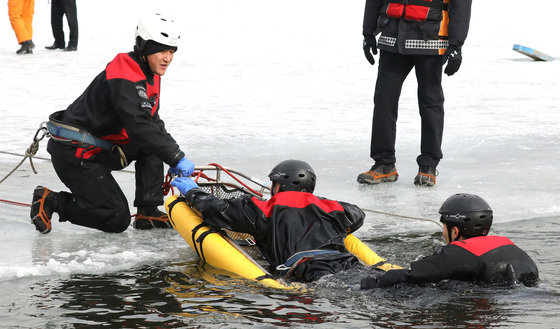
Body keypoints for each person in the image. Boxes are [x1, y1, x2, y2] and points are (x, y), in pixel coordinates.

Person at [30, 13, 194, 234]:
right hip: (76, 153)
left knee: (154, 143)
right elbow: (138, 125)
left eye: (172, 51)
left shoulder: (150, 74)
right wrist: (176, 157)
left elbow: (152, 123)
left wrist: (175, 154)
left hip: (102, 148)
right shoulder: (124, 72)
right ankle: (51, 201)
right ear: (144, 47)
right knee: (116, 218)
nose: (168, 57)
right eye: (161, 50)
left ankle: (148, 211)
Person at [171, 160, 373, 283]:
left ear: (279, 185)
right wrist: (313, 201)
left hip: (310, 273)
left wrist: (193, 191)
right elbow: (357, 215)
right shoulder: (331, 208)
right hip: (350, 265)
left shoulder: (264, 208)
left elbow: (218, 210)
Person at [357, 0, 472, 186]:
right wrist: (368, 32)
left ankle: (428, 165)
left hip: (430, 37)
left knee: (430, 102)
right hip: (392, 36)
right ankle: (384, 164)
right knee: (383, 100)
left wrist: (456, 45)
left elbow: (461, 4)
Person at [360, 193, 539, 289]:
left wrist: (368, 284)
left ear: (455, 230)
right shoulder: (507, 244)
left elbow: (407, 275)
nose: (443, 231)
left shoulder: (457, 253)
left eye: (444, 226)